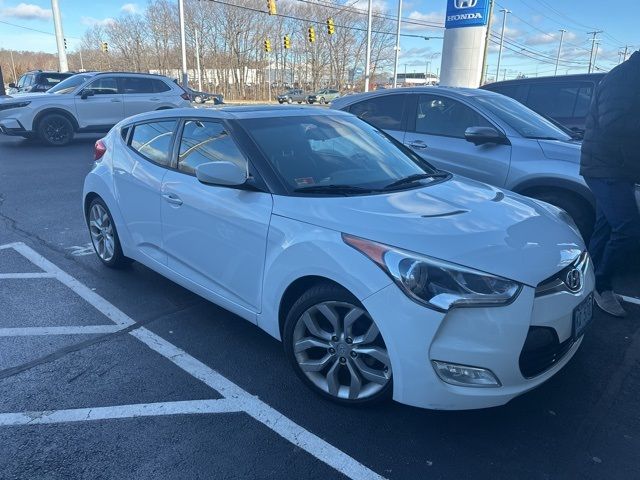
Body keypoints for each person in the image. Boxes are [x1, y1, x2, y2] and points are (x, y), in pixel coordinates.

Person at [580, 50, 640, 317]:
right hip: (605, 167)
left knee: (605, 227)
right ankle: (602, 286)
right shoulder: (625, 77)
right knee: (628, 229)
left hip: (617, 167)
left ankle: (588, 280)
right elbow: (614, 123)